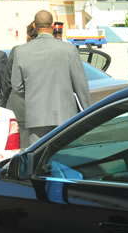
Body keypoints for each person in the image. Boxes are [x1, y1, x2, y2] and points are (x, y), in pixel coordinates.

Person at [11, 10, 90, 147]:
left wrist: (33, 95)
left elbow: (17, 86)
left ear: (35, 26)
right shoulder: (68, 49)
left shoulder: (21, 51)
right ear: (52, 26)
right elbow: (81, 85)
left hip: (36, 117)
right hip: (65, 116)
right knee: (65, 158)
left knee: (39, 160)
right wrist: (88, 113)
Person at [4, 22, 37, 146]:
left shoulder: (18, 51)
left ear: (28, 35)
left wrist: (6, 101)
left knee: (22, 149)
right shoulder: (55, 51)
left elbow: (8, 81)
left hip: (20, 107)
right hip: (45, 112)